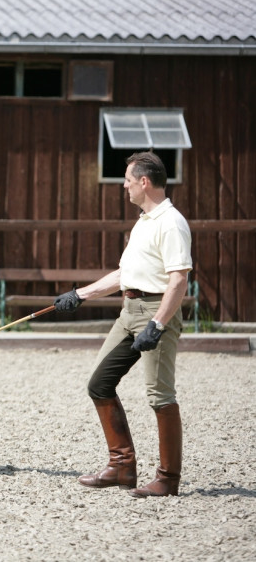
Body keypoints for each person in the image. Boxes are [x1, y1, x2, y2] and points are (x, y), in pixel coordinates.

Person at [54, 151, 192, 498]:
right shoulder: (144, 221)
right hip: (128, 311)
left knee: (160, 396)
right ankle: (121, 467)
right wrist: (80, 294)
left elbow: (178, 281)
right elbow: (124, 275)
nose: (125, 186)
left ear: (144, 182)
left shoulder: (171, 223)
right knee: (99, 383)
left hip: (155, 311)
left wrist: (158, 325)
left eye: (128, 180)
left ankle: (167, 478)